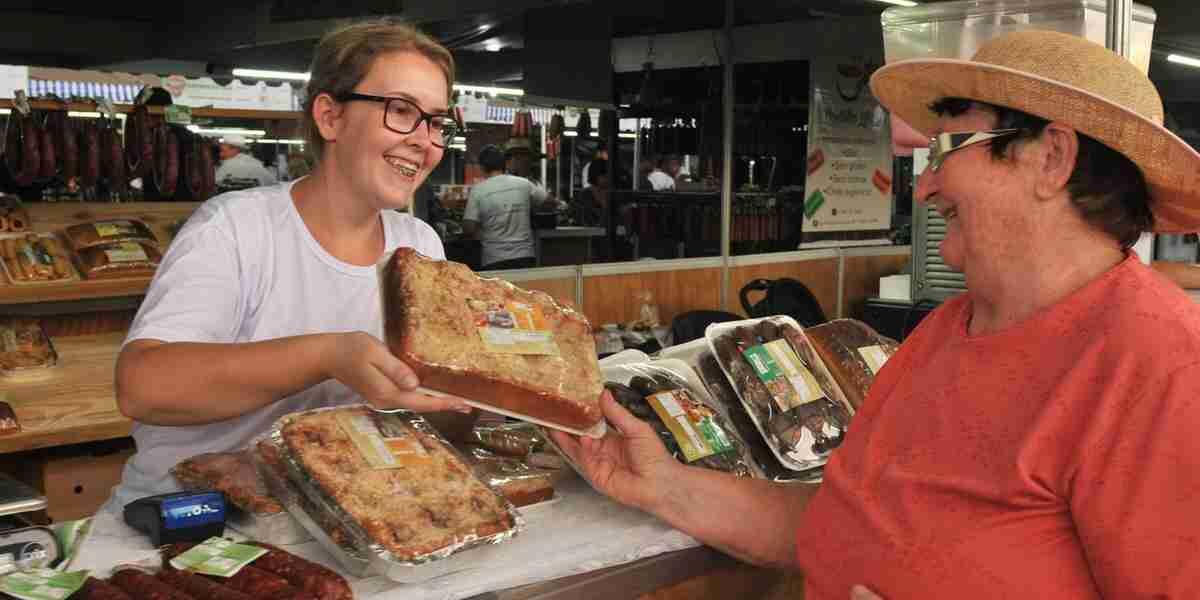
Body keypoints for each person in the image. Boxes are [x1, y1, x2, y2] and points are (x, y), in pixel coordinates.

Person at [551, 30, 1200, 599]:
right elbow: (839, 523)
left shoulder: (1159, 367)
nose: (926, 185)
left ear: (1051, 157)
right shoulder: (948, 329)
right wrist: (661, 484)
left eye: (951, 148)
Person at [107, 19, 473, 509]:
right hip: (194, 522)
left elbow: (434, 417)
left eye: (437, 123)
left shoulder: (418, 243)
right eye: (401, 111)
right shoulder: (237, 228)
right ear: (330, 117)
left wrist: (490, 391)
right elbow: (143, 387)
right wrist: (327, 357)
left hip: (349, 515)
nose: (425, 141)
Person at [463, 144, 551, 270]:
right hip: (524, 256)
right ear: (504, 164)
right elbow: (550, 202)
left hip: (493, 258)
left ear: (482, 167)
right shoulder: (524, 184)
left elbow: (468, 228)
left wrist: (484, 231)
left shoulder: (478, 191)